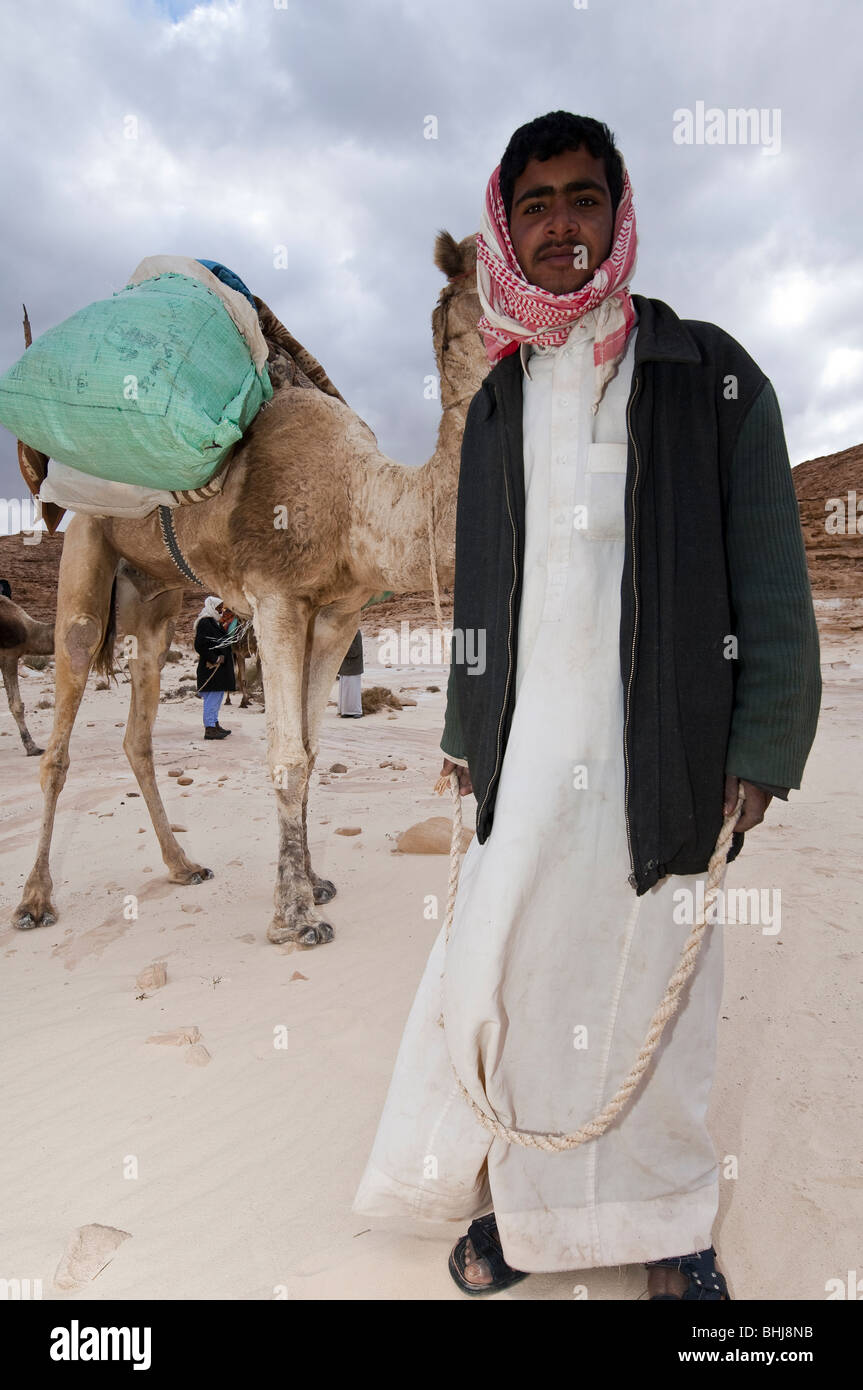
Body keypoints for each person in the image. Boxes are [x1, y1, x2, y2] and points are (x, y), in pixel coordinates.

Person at [352, 112, 821, 1300]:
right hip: (524, 746)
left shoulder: (708, 372)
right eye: (535, 205)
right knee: (514, 981)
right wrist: (465, 732)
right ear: (505, 229)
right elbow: (478, 589)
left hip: (661, 749)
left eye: (582, 198)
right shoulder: (499, 404)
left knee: (650, 984)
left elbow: (769, 574)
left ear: (618, 214)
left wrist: (761, 743)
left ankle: (665, 1223)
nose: (561, 223)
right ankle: (537, 1215)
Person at [194, 595, 236, 740]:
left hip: (219, 669)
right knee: (212, 698)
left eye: (221, 608)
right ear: (212, 607)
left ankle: (214, 723)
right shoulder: (205, 622)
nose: (221, 611)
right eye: (219, 608)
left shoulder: (214, 622)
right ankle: (210, 728)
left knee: (216, 697)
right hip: (211, 668)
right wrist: (215, 658)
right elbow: (200, 645)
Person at [337, 629, 364, 717]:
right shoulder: (344, 631)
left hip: (354, 667)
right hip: (345, 666)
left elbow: (355, 651)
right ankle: (345, 712)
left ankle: (356, 711)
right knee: (345, 690)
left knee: (353, 691)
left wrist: (344, 641)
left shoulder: (356, 632)